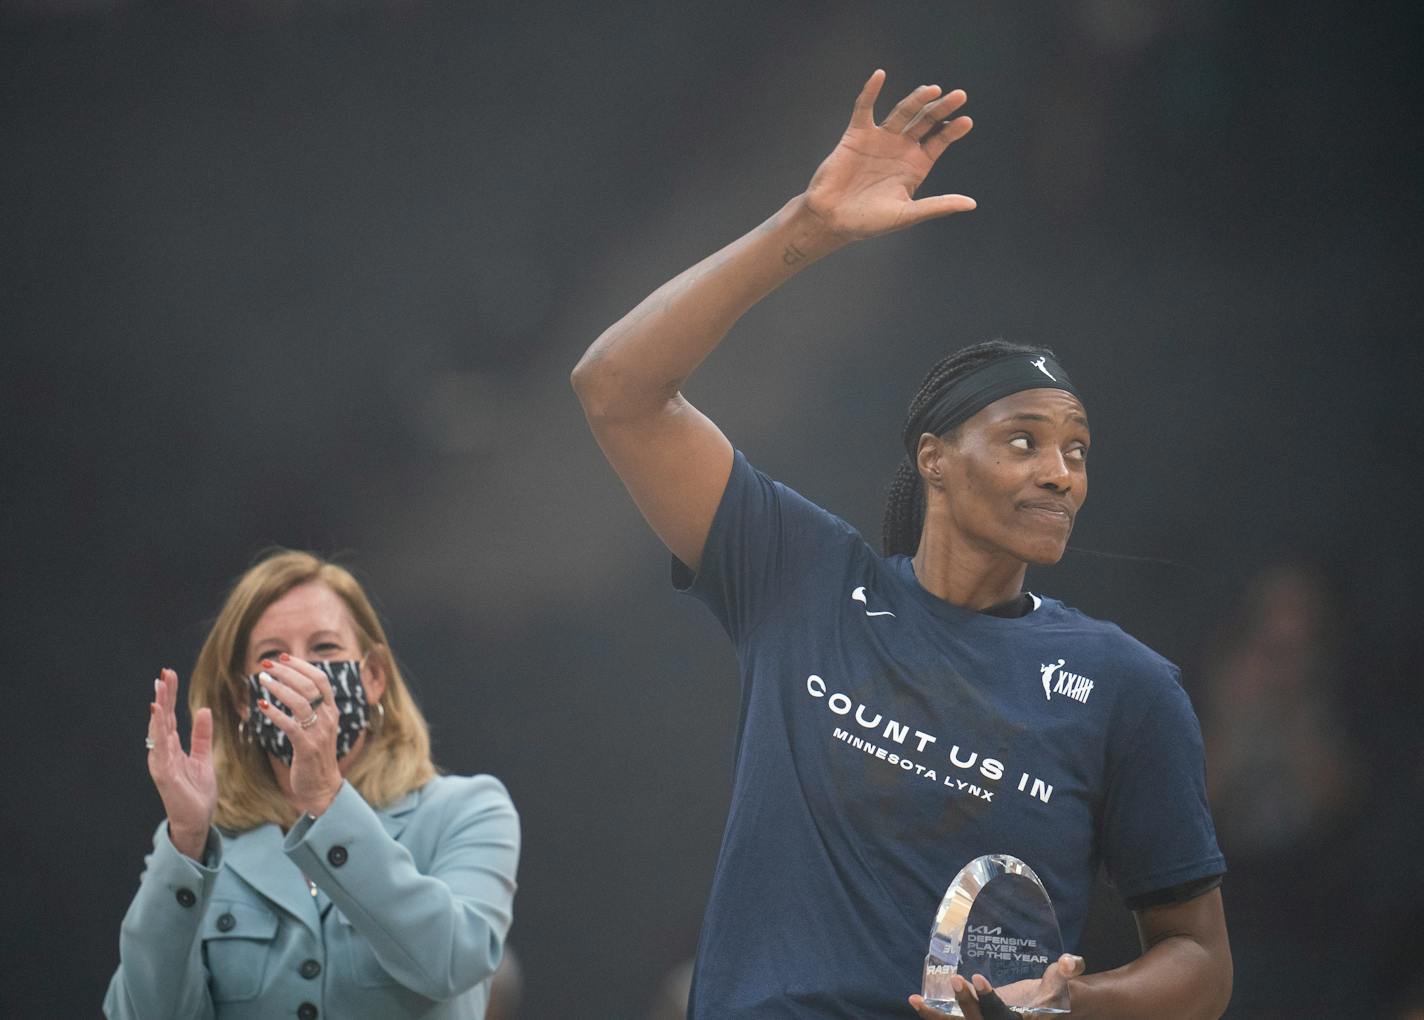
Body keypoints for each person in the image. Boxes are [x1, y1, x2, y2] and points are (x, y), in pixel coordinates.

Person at [572, 70, 1230, 1019]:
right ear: (934, 459)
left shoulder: (1127, 687)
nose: (1061, 472)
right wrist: (807, 229)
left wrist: (1062, 1010)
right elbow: (616, 388)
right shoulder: (798, 576)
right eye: (1023, 440)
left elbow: (1201, 966)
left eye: (1077, 450)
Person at [105, 550, 520, 1020]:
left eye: (324, 649)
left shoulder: (466, 812)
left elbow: (453, 963)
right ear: (244, 699)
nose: (301, 674)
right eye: (272, 656)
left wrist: (327, 799)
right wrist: (185, 839)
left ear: (374, 676)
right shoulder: (201, 849)